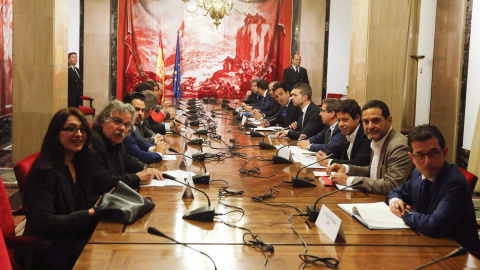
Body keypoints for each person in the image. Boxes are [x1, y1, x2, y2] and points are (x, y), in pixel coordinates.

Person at [16, 108, 97, 269]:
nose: (79, 134)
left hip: (72, 238)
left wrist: (107, 201)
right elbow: (44, 223)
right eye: (70, 129)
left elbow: (76, 202)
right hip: (50, 249)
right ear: (56, 133)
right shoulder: (45, 172)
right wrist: (89, 213)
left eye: (82, 129)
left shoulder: (78, 163)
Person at [387, 124, 480, 251]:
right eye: (420, 155)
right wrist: (394, 201)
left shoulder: (454, 182)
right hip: (426, 244)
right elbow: (396, 191)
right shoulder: (418, 173)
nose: (427, 162)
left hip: (457, 254)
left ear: (445, 153)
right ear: (412, 158)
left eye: (434, 153)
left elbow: (434, 226)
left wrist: (405, 213)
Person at [326, 100, 413, 195]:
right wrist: (346, 168)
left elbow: (392, 185)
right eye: (366, 122)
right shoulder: (377, 139)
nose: (370, 126)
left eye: (375, 120)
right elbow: (372, 171)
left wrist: (349, 181)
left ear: (389, 121)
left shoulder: (398, 145)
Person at [91, 100, 163, 196]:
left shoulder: (115, 141)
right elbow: (102, 182)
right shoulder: (94, 141)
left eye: (126, 125)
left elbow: (127, 159)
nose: (122, 128)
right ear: (103, 121)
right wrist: (137, 178)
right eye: (117, 121)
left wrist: (146, 168)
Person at [316, 99, 371, 166]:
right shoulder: (349, 133)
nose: (341, 124)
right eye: (339, 120)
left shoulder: (366, 135)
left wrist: (329, 162)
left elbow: (357, 163)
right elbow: (336, 149)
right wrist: (323, 154)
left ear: (357, 118)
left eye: (345, 120)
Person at [122, 92, 168, 164]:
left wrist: (154, 148)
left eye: (142, 110)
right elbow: (140, 156)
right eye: (137, 109)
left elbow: (139, 142)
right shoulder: (123, 129)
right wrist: (159, 153)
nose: (141, 113)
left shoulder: (130, 127)